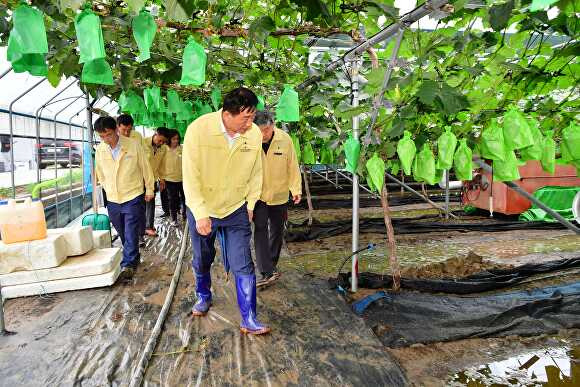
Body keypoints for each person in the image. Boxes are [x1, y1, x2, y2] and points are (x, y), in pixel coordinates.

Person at [183, 87, 270, 335]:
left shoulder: (252, 135)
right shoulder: (199, 130)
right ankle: (203, 294)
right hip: (204, 208)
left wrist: (251, 204)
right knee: (203, 257)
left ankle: (249, 318)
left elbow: (256, 172)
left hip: (235, 208)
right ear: (228, 113)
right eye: (246, 117)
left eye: (253, 116)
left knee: (243, 262)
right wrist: (200, 212)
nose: (251, 123)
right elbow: (190, 175)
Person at [94, 116, 154, 280]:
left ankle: (128, 264)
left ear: (116, 130)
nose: (106, 139)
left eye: (109, 135)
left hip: (133, 194)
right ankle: (132, 254)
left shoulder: (133, 145)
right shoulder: (100, 150)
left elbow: (145, 167)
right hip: (113, 198)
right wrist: (106, 188)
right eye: (102, 136)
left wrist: (149, 189)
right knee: (121, 230)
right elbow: (99, 172)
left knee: (130, 230)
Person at [252, 111, 301, 287]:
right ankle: (266, 271)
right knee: (260, 230)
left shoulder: (285, 139)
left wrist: (296, 189)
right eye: (259, 131)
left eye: (266, 130)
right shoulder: (250, 139)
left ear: (273, 125)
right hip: (258, 195)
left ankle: (272, 264)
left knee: (277, 231)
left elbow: (293, 165)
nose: (263, 134)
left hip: (280, 194)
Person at [142, 127, 171, 236]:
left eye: (164, 142)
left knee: (150, 202)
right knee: (140, 204)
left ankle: (149, 226)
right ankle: (140, 228)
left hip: (152, 179)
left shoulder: (163, 148)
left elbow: (162, 165)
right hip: (140, 179)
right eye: (160, 140)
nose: (161, 143)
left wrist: (162, 178)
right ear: (156, 133)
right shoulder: (142, 143)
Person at [162, 129, 186, 226]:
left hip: (182, 178)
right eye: (173, 139)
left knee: (185, 198)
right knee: (172, 199)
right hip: (170, 179)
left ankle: (185, 214)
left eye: (177, 139)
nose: (175, 141)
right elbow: (160, 164)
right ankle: (174, 218)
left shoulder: (182, 149)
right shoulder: (164, 149)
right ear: (169, 139)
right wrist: (162, 178)